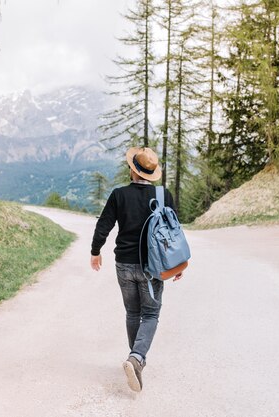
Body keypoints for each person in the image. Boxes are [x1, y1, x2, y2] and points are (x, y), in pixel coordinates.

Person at [90, 146, 183, 393]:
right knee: (151, 315)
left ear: (132, 169)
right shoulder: (164, 196)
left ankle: (135, 358)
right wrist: (177, 263)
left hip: (124, 264)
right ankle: (136, 359)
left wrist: (95, 251)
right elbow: (173, 232)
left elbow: (104, 224)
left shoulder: (120, 195)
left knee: (133, 313)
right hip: (153, 266)